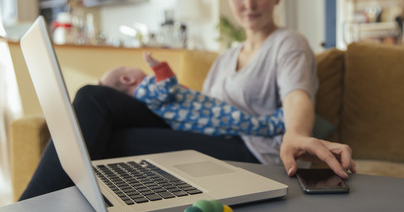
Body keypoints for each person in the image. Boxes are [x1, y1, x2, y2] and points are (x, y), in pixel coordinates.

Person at [20, 0, 355, 200]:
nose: (249, 3)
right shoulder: (225, 58)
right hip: (212, 136)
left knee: (111, 141)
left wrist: (295, 133)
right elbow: (199, 110)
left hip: (252, 148)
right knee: (93, 98)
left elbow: (298, 97)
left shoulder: (289, 43)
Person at [99, 52, 285, 137]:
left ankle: (265, 123)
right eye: (132, 69)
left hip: (201, 116)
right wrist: (157, 66)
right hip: (204, 114)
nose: (140, 70)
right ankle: (272, 124)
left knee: (233, 124)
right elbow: (169, 85)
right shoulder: (146, 88)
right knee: (237, 120)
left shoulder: (146, 95)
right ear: (127, 79)